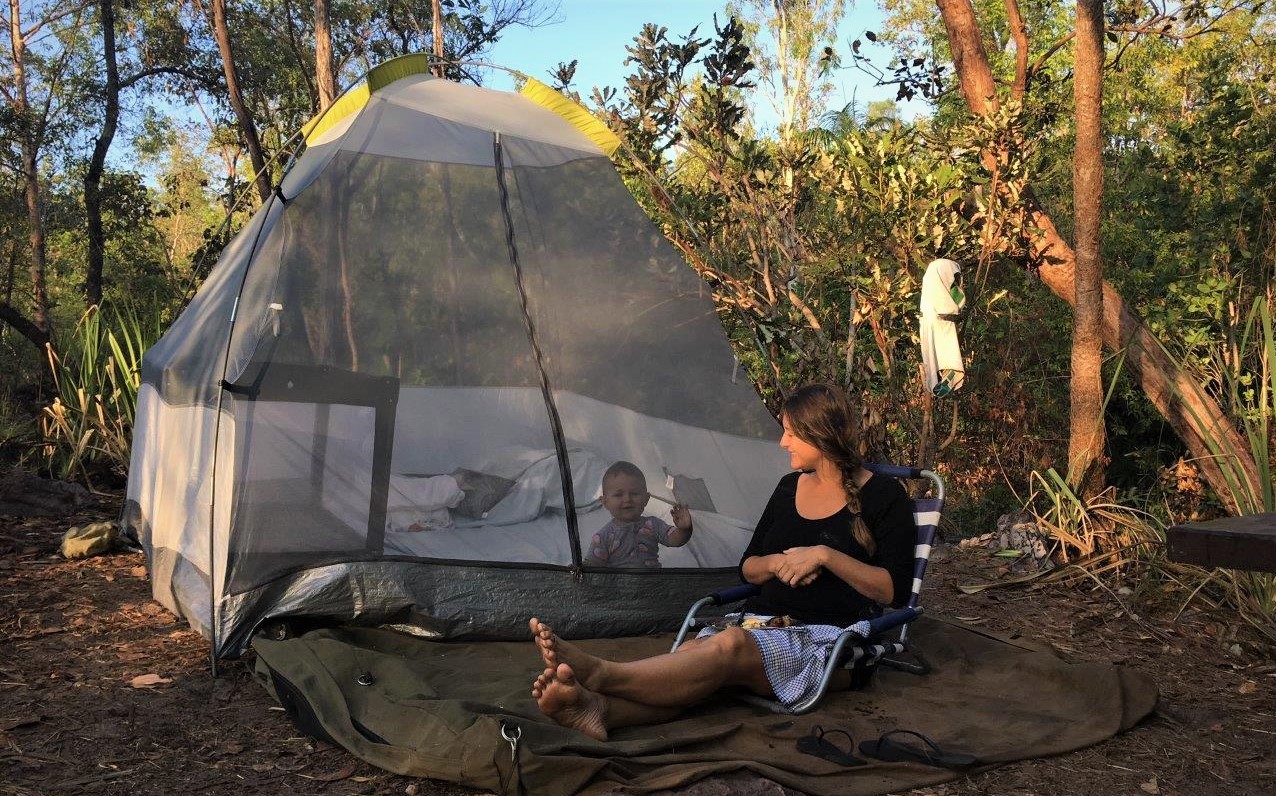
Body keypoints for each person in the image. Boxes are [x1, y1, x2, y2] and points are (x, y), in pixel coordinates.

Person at [528, 383, 915, 740]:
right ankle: (601, 711)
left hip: (828, 643)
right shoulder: (787, 489)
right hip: (761, 625)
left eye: (791, 433)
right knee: (694, 661)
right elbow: (749, 566)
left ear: (821, 435)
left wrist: (826, 556)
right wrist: (778, 563)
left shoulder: (885, 497)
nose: (782, 442)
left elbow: (893, 592)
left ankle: (601, 674)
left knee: (727, 647)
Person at [584, 461, 693, 569]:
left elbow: (675, 540)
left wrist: (684, 530)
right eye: (618, 495)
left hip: (655, 584)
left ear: (646, 499)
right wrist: (578, 571)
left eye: (634, 493)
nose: (627, 499)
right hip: (621, 586)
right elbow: (591, 567)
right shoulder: (603, 537)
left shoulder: (653, 525)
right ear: (605, 502)